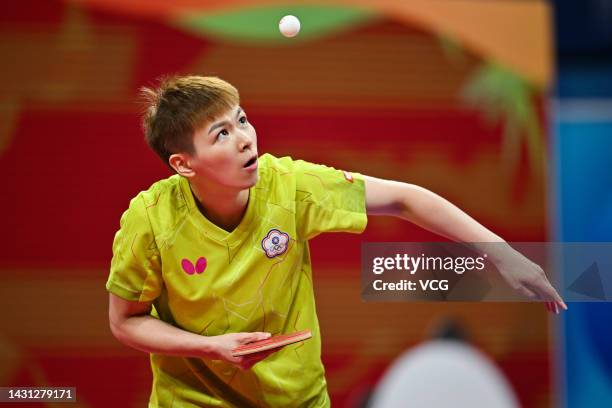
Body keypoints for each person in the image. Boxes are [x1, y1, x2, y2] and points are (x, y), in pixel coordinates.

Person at [106, 75, 566, 407]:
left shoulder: (289, 186)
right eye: (222, 134)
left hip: (298, 399)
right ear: (184, 164)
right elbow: (125, 322)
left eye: (242, 120)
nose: (246, 139)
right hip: (192, 401)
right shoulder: (150, 221)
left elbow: (406, 199)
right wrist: (212, 348)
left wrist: (504, 256)